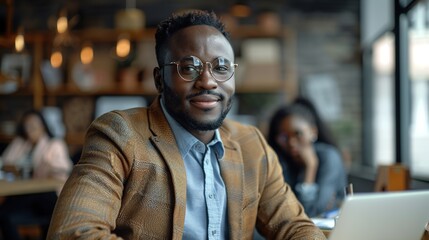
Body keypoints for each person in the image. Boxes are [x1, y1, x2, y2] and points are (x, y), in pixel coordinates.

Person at [47, 10, 327, 239]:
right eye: (189, 68)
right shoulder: (120, 135)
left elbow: (294, 226)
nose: (207, 81)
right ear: (159, 80)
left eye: (221, 67)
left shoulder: (251, 144)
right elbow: (74, 233)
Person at [267, 99, 347, 217]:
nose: (291, 142)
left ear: (313, 132)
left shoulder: (329, 157)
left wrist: (310, 168)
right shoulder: (281, 161)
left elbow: (310, 213)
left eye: (298, 134)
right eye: (284, 137)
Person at [0, 109, 73, 240]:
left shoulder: (54, 144)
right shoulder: (21, 143)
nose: (29, 129)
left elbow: (63, 170)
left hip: (46, 195)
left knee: (6, 214)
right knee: (4, 213)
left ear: (43, 125)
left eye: (33, 125)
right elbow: (5, 163)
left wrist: (47, 167)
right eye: (26, 125)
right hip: (23, 192)